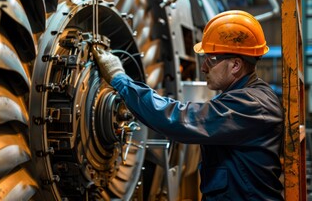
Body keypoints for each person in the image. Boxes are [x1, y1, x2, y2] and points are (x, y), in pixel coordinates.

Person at [92, 10, 284, 200]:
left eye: (211, 60)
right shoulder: (242, 98)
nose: (203, 67)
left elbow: (178, 119)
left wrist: (120, 80)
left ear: (235, 65)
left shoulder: (252, 104)